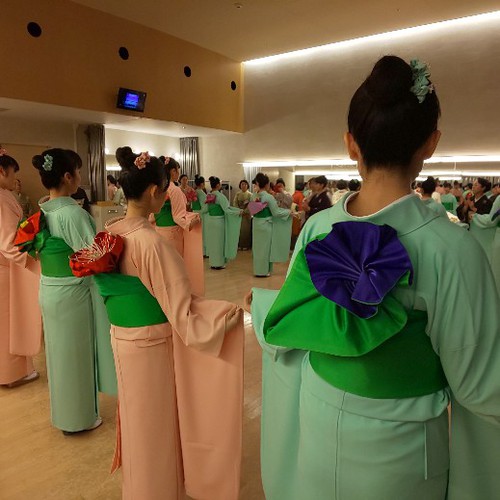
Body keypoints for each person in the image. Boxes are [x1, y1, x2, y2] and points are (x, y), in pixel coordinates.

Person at [249, 56, 500, 500]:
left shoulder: (317, 228)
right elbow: (480, 389)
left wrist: (260, 308)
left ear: (350, 144)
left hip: (318, 424)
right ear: (431, 144)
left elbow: (296, 322)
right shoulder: (454, 250)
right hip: (402, 453)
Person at [73, 150, 244, 500]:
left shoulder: (109, 235)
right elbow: (183, 313)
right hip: (151, 344)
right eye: (165, 189)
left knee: (136, 419)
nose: (168, 195)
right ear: (153, 191)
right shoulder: (151, 244)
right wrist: (227, 315)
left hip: (122, 338)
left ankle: (138, 489)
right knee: (154, 425)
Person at [33, 148, 116, 434]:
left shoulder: (41, 211)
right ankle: (79, 418)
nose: (80, 176)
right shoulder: (72, 213)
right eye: (78, 172)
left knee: (58, 355)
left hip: (49, 288)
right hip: (72, 293)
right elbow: (95, 257)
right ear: (68, 177)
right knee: (77, 355)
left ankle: (64, 414)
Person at [0, 148, 41, 387]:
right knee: (9, 322)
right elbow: (7, 242)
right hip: (6, 268)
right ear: (2, 170)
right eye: (12, 172)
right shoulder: (3, 198)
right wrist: (30, 259)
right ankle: (11, 373)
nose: (14, 178)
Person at [148, 155, 203, 294]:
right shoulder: (174, 190)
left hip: (159, 231)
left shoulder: (157, 188)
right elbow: (178, 217)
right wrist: (194, 221)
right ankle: (178, 298)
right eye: (177, 171)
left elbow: (152, 216)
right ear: (173, 171)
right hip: (173, 233)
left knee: (163, 268)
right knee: (175, 268)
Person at [250, 173, 293, 277]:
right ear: (267, 184)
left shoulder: (254, 196)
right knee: (266, 248)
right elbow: (276, 212)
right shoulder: (269, 197)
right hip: (266, 224)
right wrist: (288, 212)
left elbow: (252, 210)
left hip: (256, 224)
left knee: (257, 248)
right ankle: (264, 271)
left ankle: (258, 270)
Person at [203, 176, 242, 270]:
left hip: (210, 221)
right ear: (217, 185)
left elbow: (205, 209)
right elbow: (227, 210)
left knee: (213, 242)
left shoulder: (209, 196)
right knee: (219, 242)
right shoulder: (220, 196)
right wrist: (238, 212)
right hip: (219, 221)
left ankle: (213, 262)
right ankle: (218, 263)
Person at [233, 179, 252, 250]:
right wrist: (239, 210)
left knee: (246, 230)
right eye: (242, 184)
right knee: (239, 230)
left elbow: (251, 205)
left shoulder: (250, 195)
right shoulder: (237, 194)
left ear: (247, 186)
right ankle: (239, 245)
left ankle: (246, 245)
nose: (243, 185)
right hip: (239, 214)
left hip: (246, 215)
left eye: (245, 184)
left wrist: (245, 211)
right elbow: (235, 203)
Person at [192, 174, 208, 256]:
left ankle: (198, 251)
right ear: (202, 184)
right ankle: (203, 252)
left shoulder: (194, 192)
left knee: (197, 234)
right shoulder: (201, 193)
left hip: (195, 213)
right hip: (201, 215)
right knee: (203, 234)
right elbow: (205, 207)